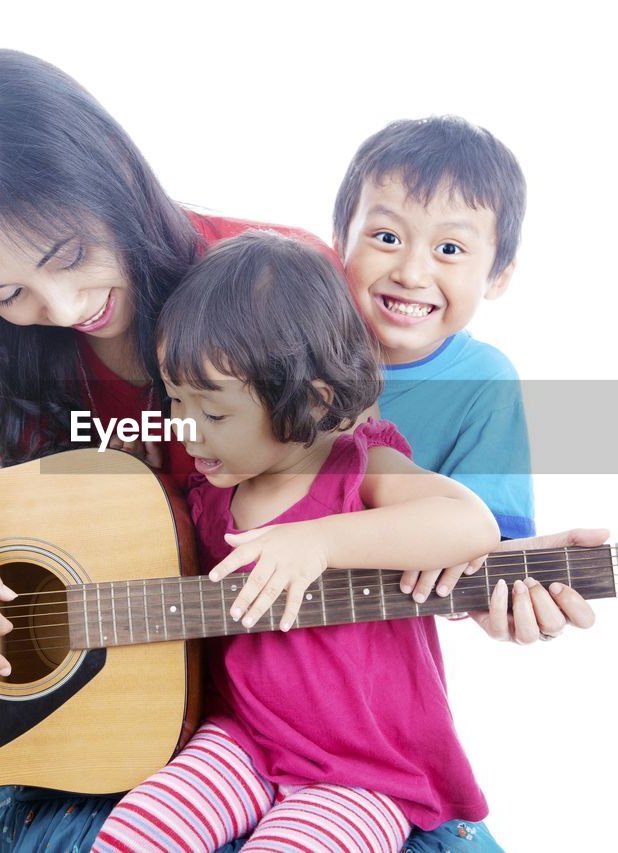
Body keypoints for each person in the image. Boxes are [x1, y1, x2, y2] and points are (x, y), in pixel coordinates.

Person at [0, 49, 595, 850]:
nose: (58, 309)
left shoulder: (262, 284)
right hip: (91, 738)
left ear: (113, 177)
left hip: (318, 740)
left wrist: (504, 580)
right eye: (6, 292)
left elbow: (383, 505)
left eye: (68, 258)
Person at [93, 232, 583, 852]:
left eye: (213, 414)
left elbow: (469, 523)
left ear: (311, 399)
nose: (187, 429)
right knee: (136, 833)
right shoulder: (213, 488)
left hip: (363, 772)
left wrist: (320, 542)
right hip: (243, 738)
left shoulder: (359, 468)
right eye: (175, 401)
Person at [333, 117, 541, 625]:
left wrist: (508, 612)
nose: (410, 272)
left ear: (498, 276)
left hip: (366, 660)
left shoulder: (483, 385)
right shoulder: (284, 338)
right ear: (340, 238)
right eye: (386, 236)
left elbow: (487, 568)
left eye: (449, 249)